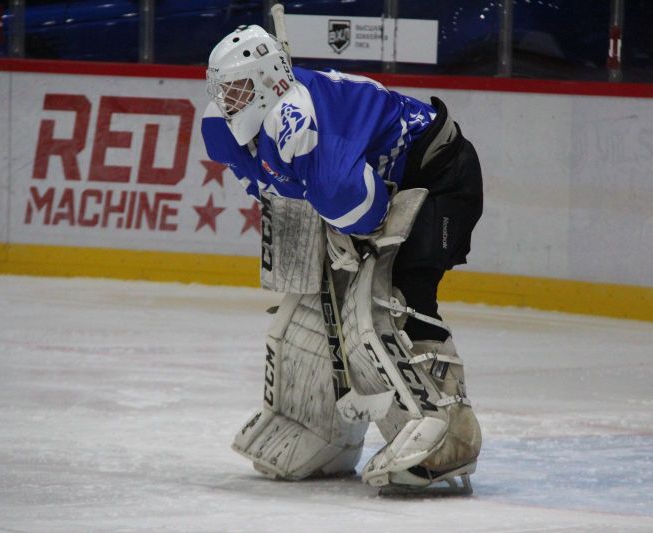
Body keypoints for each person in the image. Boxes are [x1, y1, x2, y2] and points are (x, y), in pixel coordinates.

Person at [201, 25, 483, 492]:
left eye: (237, 89)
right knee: (311, 305)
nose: (227, 101)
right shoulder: (229, 127)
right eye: (222, 90)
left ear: (269, 80)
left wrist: (347, 235)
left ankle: (448, 435)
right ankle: (318, 429)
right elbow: (284, 196)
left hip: (437, 173)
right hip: (373, 184)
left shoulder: (302, 127)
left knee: (393, 302)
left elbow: (364, 213)